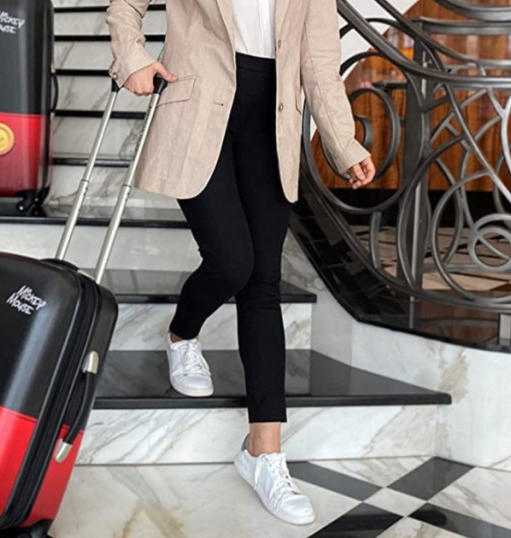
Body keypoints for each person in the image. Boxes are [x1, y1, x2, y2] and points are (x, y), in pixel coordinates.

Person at [107, 0, 377, 525]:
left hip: (271, 120)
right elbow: (126, 5)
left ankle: (264, 453)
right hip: (198, 107)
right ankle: (183, 335)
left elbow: (320, 60)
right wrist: (132, 57)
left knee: (263, 283)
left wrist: (343, 143)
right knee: (232, 261)